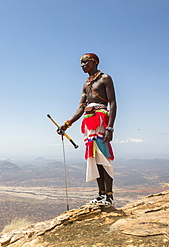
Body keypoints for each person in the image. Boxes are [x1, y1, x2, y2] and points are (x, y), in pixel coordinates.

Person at [58, 53, 117, 206]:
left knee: (104, 158)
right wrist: (67, 124)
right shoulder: (85, 84)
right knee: (94, 158)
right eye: (81, 63)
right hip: (89, 124)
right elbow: (81, 108)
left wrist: (110, 127)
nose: (83, 65)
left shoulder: (105, 78)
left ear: (95, 62)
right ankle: (101, 195)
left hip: (101, 121)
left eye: (86, 62)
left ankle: (109, 197)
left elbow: (113, 103)